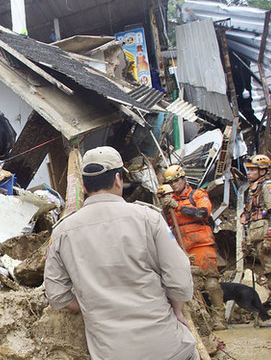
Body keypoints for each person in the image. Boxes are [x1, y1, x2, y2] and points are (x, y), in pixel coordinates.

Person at [45, 146, 199, 360]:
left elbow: (56, 295)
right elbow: (180, 277)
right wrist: (178, 310)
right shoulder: (149, 218)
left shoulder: (62, 231)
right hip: (165, 346)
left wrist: (92, 306)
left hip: (110, 352)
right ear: (118, 179)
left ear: (83, 185)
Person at [160, 165, 226, 330]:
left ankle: (219, 318)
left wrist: (178, 207)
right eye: (171, 182)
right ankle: (203, 320)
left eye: (176, 181)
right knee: (190, 286)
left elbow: (203, 213)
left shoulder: (197, 194)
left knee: (211, 283)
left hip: (201, 245)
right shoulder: (169, 201)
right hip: (182, 249)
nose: (174, 185)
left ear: (183, 179)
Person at [241, 154, 271, 293]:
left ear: (262, 171)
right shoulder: (252, 190)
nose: (249, 173)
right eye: (248, 170)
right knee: (268, 274)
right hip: (256, 234)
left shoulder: (268, 186)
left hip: (266, 234)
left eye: (253, 170)